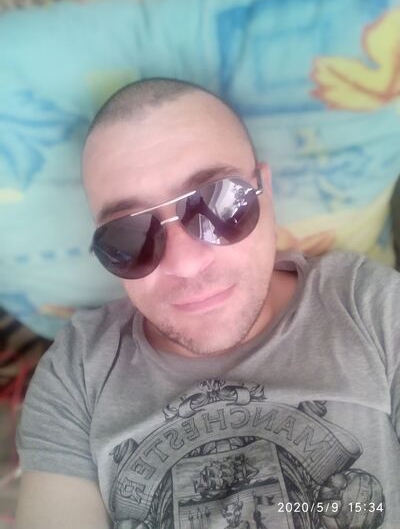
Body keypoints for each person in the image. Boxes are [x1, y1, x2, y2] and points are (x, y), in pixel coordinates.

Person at [15, 78, 400, 529]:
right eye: (128, 235)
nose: (185, 264)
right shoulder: (77, 371)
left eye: (219, 203)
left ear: (265, 188)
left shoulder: (373, 307)